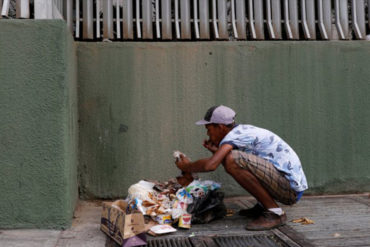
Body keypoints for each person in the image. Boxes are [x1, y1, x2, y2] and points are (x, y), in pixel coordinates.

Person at [175, 105, 308, 230]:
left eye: (209, 130)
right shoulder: (240, 132)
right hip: (285, 185)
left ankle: (275, 213)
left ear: (220, 127)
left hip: (290, 190)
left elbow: (211, 165)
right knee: (231, 159)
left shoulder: (234, 136)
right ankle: (262, 205)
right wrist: (216, 152)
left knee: (233, 159)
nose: (208, 135)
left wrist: (187, 166)